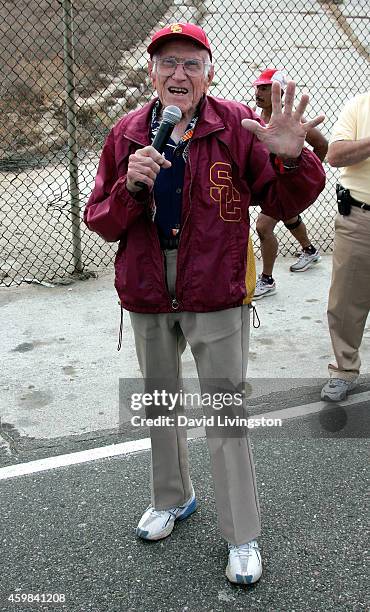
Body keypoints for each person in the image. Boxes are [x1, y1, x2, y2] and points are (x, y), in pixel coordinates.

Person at [84, 23, 325, 584]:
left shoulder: (237, 127)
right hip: (148, 286)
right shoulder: (126, 134)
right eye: (167, 63)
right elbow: (101, 219)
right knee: (161, 404)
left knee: (224, 412)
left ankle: (242, 534)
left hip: (214, 287)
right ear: (151, 73)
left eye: (192, 63)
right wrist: (129, 188)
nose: (179, 74)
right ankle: (172, 497)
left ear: (209, 72)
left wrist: (292, 158)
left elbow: (286, 198)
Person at [252, 68, 328, 299]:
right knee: (289, 215)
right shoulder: (258, 117)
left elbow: (322, 144)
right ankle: (310, 251)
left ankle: (266, 280)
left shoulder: (294, 118)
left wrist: (301, 177)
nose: (260, 92)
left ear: (281, 92)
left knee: (264, 227)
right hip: (276, 184)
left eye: (266, 88)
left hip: (290, 182)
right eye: (259, 87)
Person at [321, 90, 370, 402]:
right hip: (359, 219)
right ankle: (344, 370)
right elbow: (334, 155)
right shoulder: (359, 104)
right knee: (345, 301)